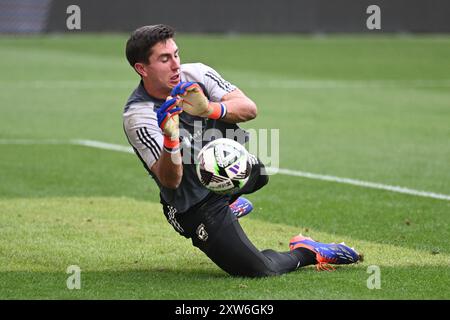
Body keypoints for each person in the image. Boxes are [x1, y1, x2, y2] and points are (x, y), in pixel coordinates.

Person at [123, 24, 361, 277]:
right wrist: (171, 138)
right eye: (164, 59)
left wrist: (209, 110)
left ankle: (229, 203)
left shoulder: (196, 74)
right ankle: (307, 251)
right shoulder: (139, 116)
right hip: (193, 204)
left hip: (232, 171)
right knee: (260, 270)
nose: (175, 65)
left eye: (176, 54)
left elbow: (249, 108)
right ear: (142, 68)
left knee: (260, 172)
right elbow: (171, 181)